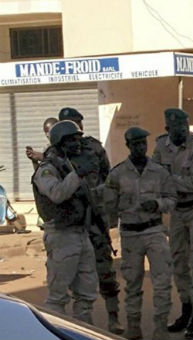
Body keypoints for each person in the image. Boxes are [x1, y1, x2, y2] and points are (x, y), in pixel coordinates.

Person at [104, 127, 176, 340]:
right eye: (135, 144)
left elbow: (172, 199)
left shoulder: (159, 171)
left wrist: (157, 204)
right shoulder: (117, 174)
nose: (140, 148)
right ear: (128, 146)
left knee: (162, 282)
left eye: (143, 143)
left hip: (154, 230)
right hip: (130, 234)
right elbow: (109, 205)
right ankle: (133, 327)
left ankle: (161, 328)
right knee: (132, 283)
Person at [57, 107, 123, 334]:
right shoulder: (55, 155)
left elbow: (109, 178)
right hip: (71, 222)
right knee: (69, 275)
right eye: (69, 123)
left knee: (104, 268)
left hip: (94, 219)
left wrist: (107, 211)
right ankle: (73, 325)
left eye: (77, 123)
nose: (75, 128)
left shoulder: (93, 148)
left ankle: (114, 317)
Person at [152, 108, 193, 338]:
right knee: (178, 260)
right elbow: (152, 176)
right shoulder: (160, 147)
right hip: (177, 210)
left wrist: (167, 181)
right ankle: (186, 308)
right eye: (178, 129)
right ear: (168, 129)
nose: (184, 132)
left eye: (186, 127)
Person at [32, 120, 98, 323]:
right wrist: (77, 174)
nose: (78, 144)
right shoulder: (47, 169)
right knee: (57, 298)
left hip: (80, 233)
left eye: (78, 139)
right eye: (72, 140)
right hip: (61, 236)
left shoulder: (69, 164)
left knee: (86, 295)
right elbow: (57, 194)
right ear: (60, 142)